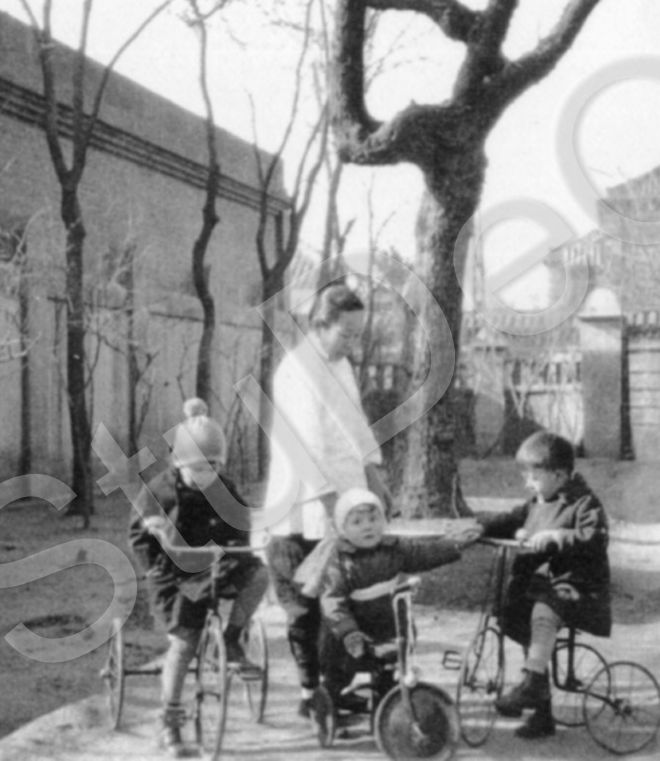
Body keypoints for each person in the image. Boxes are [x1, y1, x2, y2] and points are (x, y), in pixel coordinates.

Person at [262, 282, 391, 720]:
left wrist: (374, 475)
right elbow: (307, 444)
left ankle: (334, 688)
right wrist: (334, 504)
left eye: (357, 335)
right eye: (345, 334)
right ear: (320, 325)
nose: (352, 343)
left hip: (345, 497)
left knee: (344, 599)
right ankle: (309, 692)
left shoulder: (342, 366)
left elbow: (356, 427)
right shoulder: (297, 370)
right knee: (306, 607)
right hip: (304, 504)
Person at [129, 398, 269, 759]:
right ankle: (169, 719)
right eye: (197, 469)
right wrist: (153, 560)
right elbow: (139, 536)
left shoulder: (226, 488)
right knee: (184, 643)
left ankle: (232, 637)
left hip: (216, 566)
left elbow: (240, 528)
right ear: (178, 463)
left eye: (213, 467)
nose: (206, 476)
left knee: (259, 573)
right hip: (173, 574)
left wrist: (238, 549)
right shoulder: (160, 490)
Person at [476, 430, 612, 740]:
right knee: (519, 613)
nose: (528, 483)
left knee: (543, 611)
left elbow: (596, 537)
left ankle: (533, 685)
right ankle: (541, 708)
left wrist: (560, 536)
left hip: (578, 586)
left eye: (534, 477)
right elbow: (512, 519)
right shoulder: (538, 502)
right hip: (546, 587)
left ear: (559, 475)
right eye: (526, 476)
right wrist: (481, 528)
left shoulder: (583, 503)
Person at [304, 488, 478, 717]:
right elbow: (332, 600)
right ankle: (324, 706)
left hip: (387, 624)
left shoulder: (394, 549)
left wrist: (455, 544)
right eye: (357, 522)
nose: (368, 526)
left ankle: (385, 713)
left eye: (374, 519)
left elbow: (424, 553)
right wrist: (347, 631)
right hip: (351, 630)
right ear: (341, 529)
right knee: (340, 671)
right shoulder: (339, 560)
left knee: (388, 670)